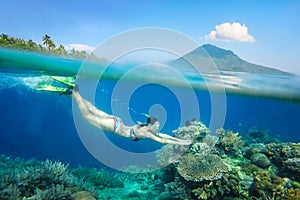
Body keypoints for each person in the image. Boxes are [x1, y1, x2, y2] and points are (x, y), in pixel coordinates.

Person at [71, 85, 192, 145]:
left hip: (116, 121)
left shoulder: (149, 129)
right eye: (157, 126)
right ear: (151, 125)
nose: (158, 128)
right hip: (115, 126)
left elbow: (165, 135)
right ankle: (75, 93)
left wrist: (182, 140)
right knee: (87, 116)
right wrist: (182, 143)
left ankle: (74, 94)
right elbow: (163, 141)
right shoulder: (148, 132)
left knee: (94, 109)